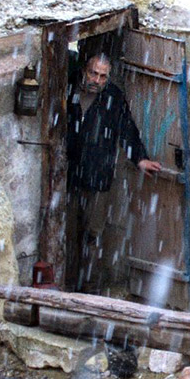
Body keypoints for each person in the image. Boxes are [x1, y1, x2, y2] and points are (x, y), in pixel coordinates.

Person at [64, 52, 156, 287]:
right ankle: (67, 284)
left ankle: (88, 289)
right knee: (67, 234)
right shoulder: (68, 88)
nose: (97, 80)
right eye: (93, 73)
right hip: (68, 176)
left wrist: (140, 158)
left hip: (98, 177)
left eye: (103, 77)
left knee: (93, 235)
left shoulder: (112, 98)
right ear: (85, 70)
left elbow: (127, 128)